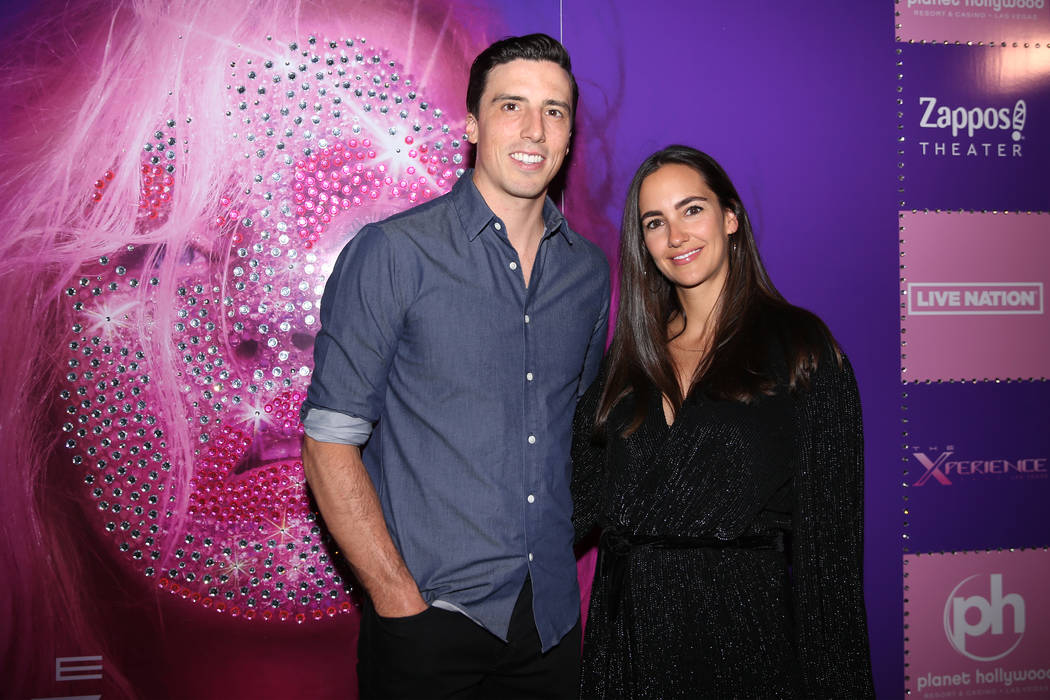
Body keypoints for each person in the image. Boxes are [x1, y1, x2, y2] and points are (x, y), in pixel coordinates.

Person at [301, 33, 610, 699]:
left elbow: (575, 435)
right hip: (430, 623)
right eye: (511, 106)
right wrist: (397, 601)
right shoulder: (395, 253)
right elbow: (329, 441)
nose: (534, 129)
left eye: (554, 111)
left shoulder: (588, 274)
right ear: (472, 125)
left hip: (550, 624)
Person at [571, 145, 874, 699]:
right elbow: (573, 496)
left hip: (742, 639)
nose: (676, 236)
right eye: (655, 222)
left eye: (692, 210)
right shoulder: (629, 357)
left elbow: (829, 564)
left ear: (730, 217)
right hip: (627, 643)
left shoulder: (803, 351)